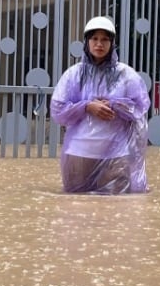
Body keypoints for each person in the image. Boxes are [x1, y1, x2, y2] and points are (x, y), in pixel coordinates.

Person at [50, 16, 150, 194]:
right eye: (94, 39)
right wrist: (86, 106)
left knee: (117, 209)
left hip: (117, 154)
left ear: (112, 43)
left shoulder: (126, 75)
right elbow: (58, 110)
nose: (99, 44)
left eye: (105, 39)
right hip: (80, 152)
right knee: (76, 208)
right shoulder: (74, 75)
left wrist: (115, 105)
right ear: (87, 42)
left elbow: (141, 106)